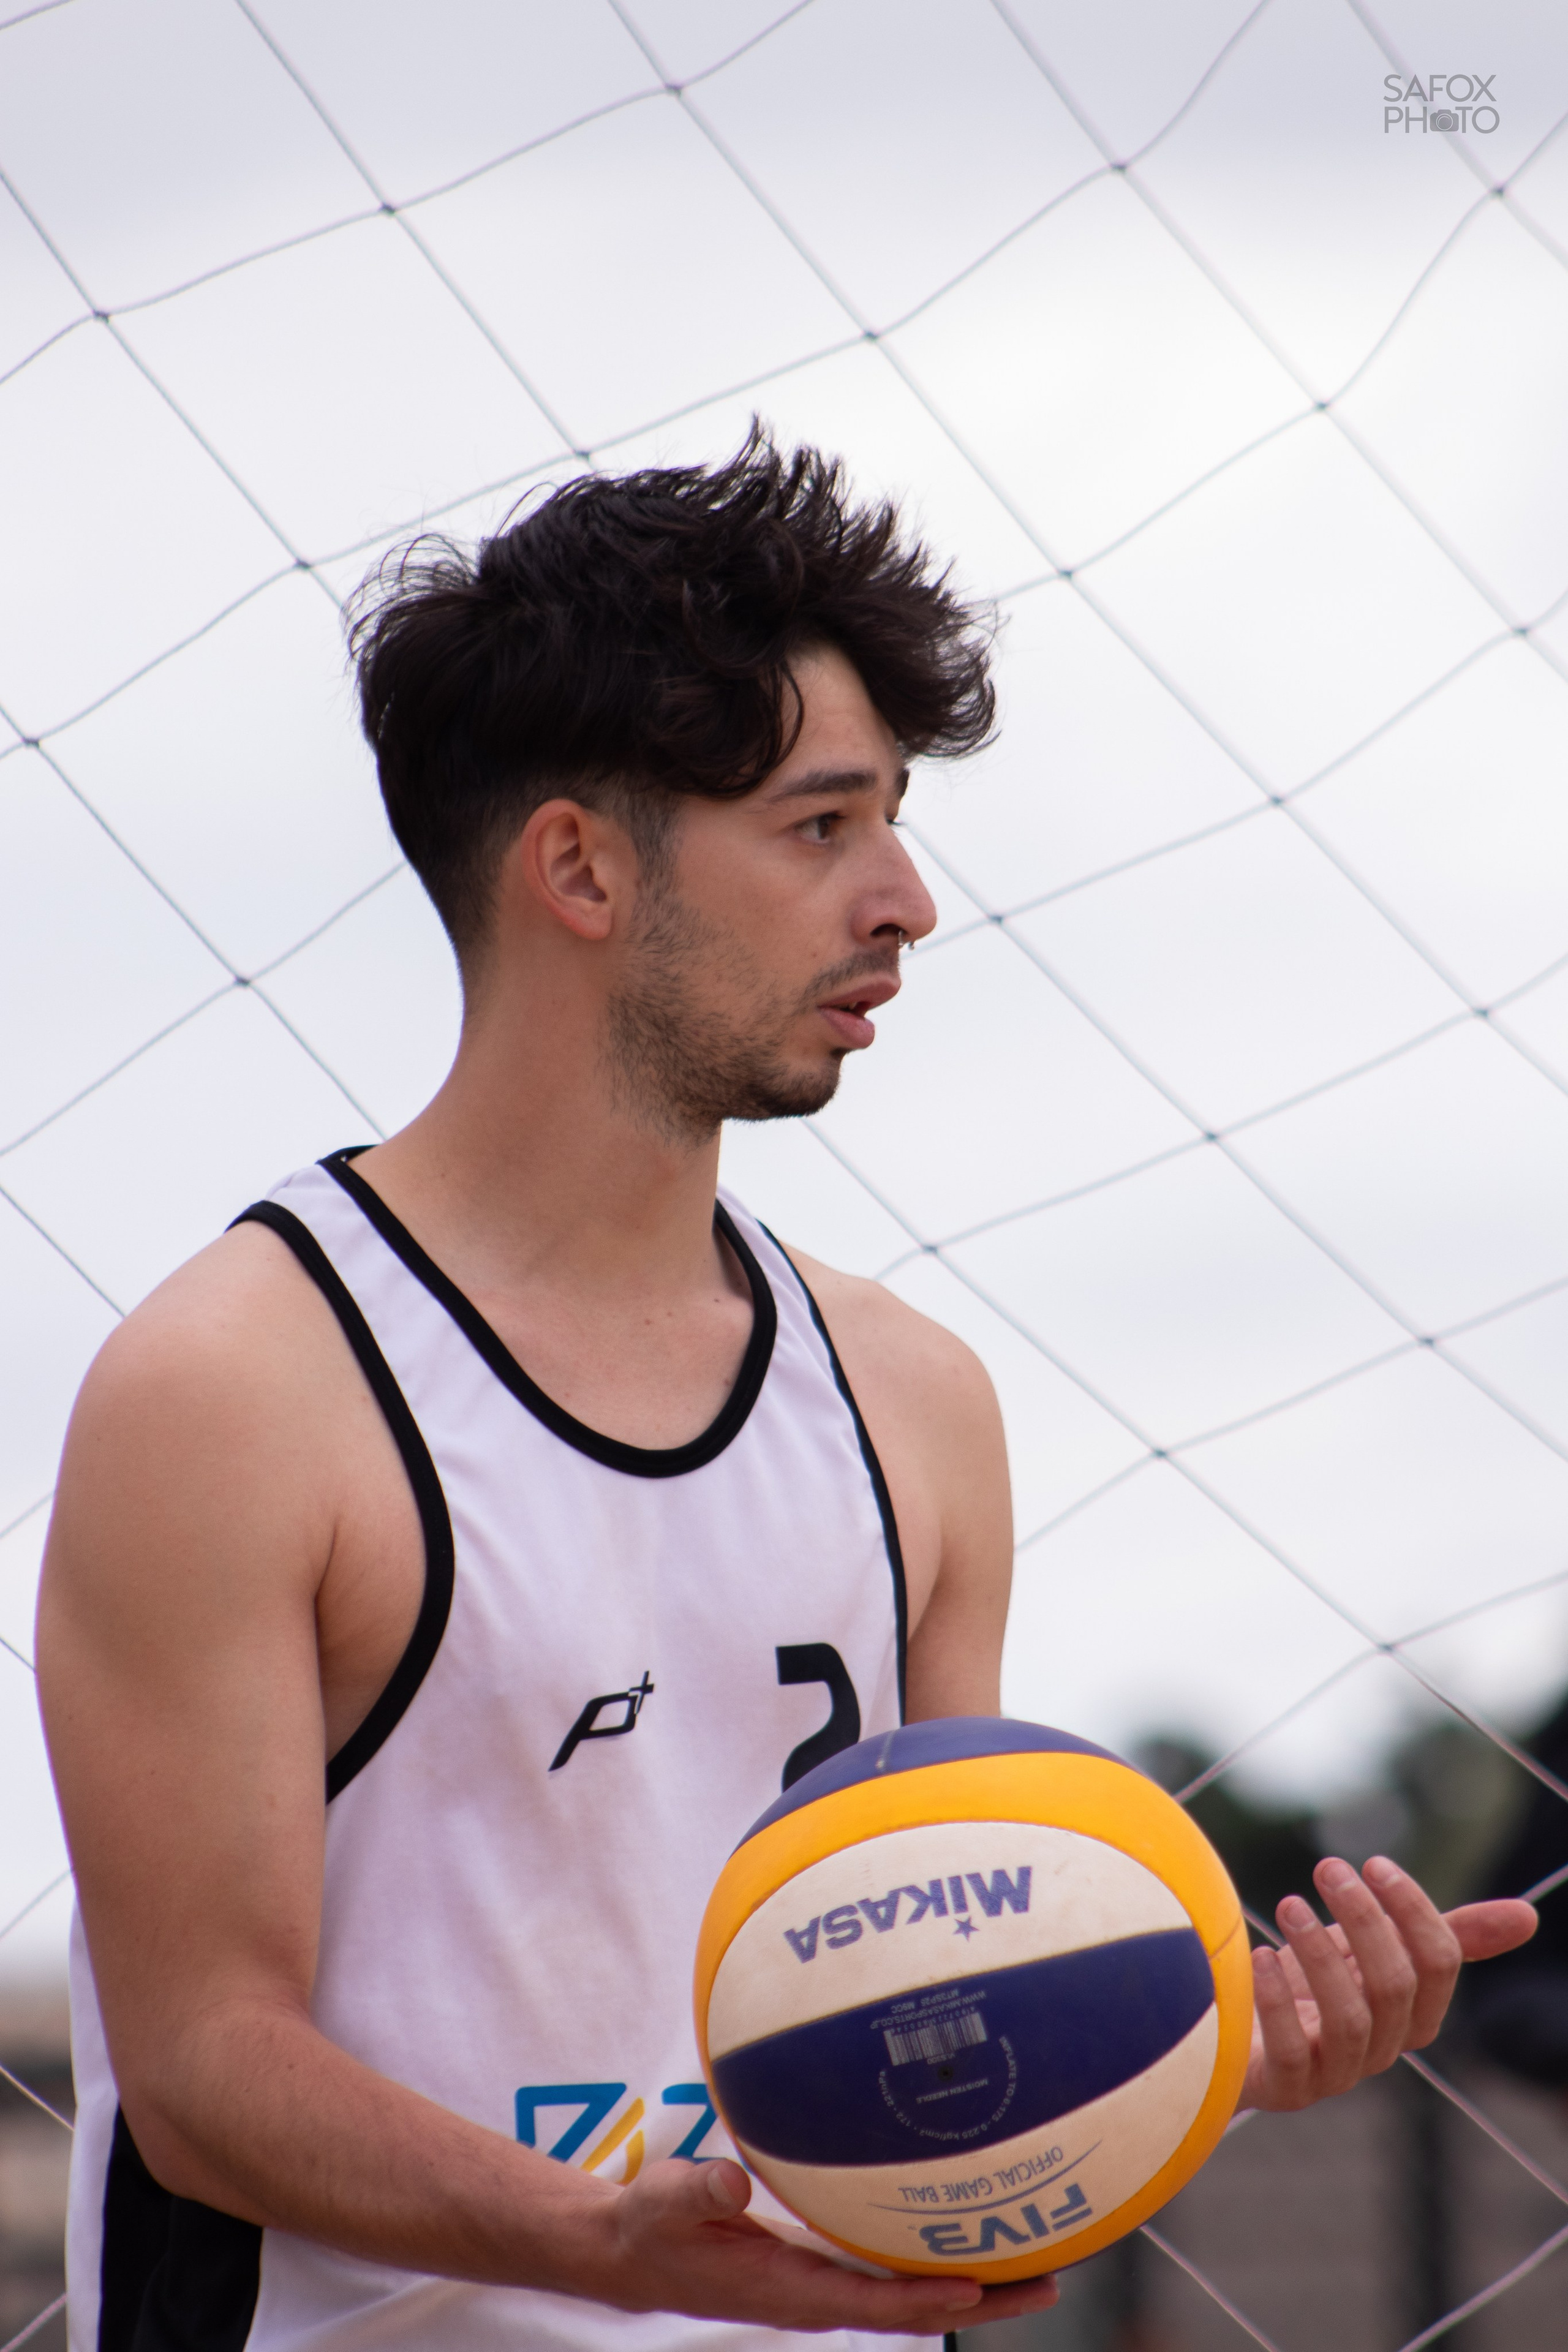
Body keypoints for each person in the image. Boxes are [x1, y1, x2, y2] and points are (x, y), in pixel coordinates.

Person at [37, 433, 1536, 2352]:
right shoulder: (236, 1390)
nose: (906, 897)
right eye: (822, 826)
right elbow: (204, 2072)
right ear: (579, 866)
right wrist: (606, 2241)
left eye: (895, 819)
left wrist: (1209, 2046)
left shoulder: (912, 1401)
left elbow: (960, 1992)